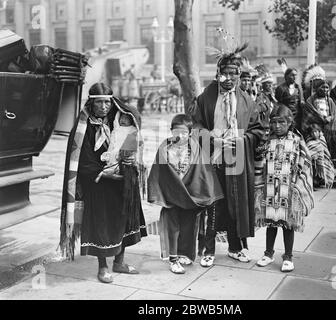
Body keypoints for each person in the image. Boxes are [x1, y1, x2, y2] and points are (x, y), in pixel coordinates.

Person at [59, 83, 147, 284]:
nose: (104, 106)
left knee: (124, 220)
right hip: (99, 184)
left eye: (107, 101)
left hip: (123, 180)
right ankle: (103, 267)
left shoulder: (121, 119)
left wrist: (132, 160)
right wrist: (105, 174)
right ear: (91, 102)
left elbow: (135, 140)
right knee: (103, 225)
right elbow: (83, 160)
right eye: (99, 102)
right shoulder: (84, 127)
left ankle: (119, 262)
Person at [193, 38, 265, 265]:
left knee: (236, 202)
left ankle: (235, 247)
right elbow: (195, 126)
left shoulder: (246, 100)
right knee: (213, 204)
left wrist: (242, 140)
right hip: (212, 158)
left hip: (237, 158)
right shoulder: (206, 97)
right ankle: (208, 250)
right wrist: (210, 138)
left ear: (239, 75)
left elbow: (258, 130)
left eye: (234, 73)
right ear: (218, 73)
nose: (230, 77)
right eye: (225, 73)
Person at [148, 114, 223, 274]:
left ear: (190, 133)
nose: (180, 136)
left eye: (183, 133)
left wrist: (206, 192)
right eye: (176, 132)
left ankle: (185, 254)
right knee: (172, 226)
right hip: (172, 194)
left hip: (190, 194)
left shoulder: (195, 148)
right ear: (171, 132)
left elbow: (202, 172)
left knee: (189, 225)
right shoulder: (165, 148)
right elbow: (158, 171)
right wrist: (157, 190)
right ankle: (173, 259)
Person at [255, 105, 314, 272]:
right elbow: (260, 162)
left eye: (281, 122)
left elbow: (305, 161)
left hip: (289, 190)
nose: (277, 126)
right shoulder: (267, 140)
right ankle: (268, 253)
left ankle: (288, 256)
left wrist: (298, 182)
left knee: (288, 224)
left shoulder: (296, 140)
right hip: (270, 189)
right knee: (271, 223)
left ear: (290, 122)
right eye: (273, 122)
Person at [301, 79, 336, 187]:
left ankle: (323, 178)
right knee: (315, 153)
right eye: (323, 87)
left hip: (327, 130)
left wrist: (330, 118)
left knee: (325, 154)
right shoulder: (310, 100)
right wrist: (314, 128)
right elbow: (308, 116)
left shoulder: (329, 100)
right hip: (313, 131)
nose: (325, 90)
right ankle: (314, 178)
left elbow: (335, 114)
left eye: (327, 87)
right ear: (317, 88)